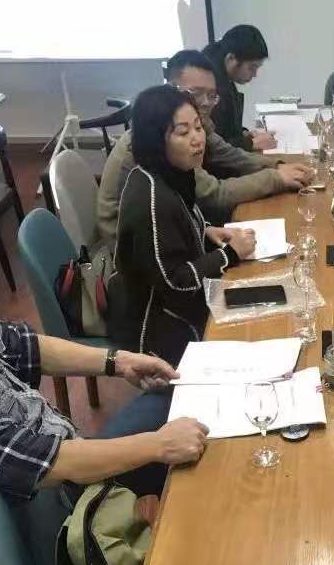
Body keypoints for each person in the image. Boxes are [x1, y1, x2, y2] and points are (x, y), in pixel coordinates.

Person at [0, 201, 211, 562]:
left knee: (180, 400)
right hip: (30, 518)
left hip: (57, 465)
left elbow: (21, 345)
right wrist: (158, 446)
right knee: (195, 464)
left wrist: (118, 362)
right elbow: (37, 463)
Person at [96, 49, 312, 248]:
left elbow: (229, 155)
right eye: (195, 93)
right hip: (137, 249)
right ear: (170, 88)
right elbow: (214, 194)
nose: (206, 102)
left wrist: (277, 165)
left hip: (177, 224)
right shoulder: (156, 134)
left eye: (211, 95)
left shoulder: (190, 119)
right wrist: (276, 178)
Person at [108, 85, 256, 366]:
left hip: (182, 310)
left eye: (198, 128)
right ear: (155, 139)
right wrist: (229, 254)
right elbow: (175, 283)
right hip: (158, 335)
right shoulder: (152, 197)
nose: (197, 139)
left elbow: (172, 235)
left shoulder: (169, 173)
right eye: (183, 132)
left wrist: (205, 230)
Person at [203, 25, 276, 152]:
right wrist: (250, 143)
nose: (255, 74)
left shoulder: (222, 75)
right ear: (231, 59)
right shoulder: (211, 89)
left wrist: (244, 134)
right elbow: (211, 148)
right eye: (252, 67)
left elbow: (226, 129)